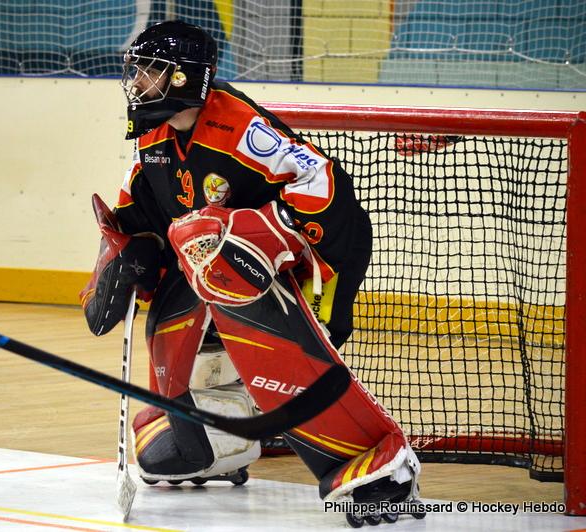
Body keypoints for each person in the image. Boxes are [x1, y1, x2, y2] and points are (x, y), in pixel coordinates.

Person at [81, 20, 421, 517]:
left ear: (183, 78)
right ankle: (212, 438)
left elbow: (322, 182)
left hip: (306, 262)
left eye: (150, 72)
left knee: (202, 242)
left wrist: (264, 234)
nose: (136, 83)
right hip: (224, 266)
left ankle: (374, 458)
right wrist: (127, 256)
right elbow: (143, 210)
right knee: (184, 264)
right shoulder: (153, 136)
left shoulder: (239, 127)